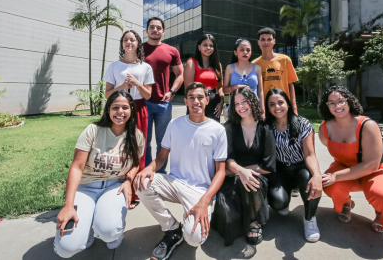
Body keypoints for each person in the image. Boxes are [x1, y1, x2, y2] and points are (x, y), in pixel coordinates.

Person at [134, 82, 227, 260]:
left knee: (193, 238)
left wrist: (205, 201)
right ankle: (171, 228)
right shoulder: (175, 125)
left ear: (207, 100)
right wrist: (148, 168)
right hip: (174, 182)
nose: (196, 101)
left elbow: (220, 172)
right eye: (191, 98)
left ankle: (196, 218)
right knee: (141, 183)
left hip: (200, 191)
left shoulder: (218, 130)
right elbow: (161, 158)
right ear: (185, 101)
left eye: (200, 97)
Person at [54, 91, 144, 257]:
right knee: (66, 249)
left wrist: (128, 180)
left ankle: (113, 233)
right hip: (86, 187)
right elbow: (76, 167)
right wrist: (68, 205)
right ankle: (85, 232)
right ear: (108, 110)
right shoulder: (93, 130)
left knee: (109, 232)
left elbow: (136, 163)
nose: (120, 112)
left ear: (131, 110)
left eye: (125, 107)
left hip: (114, 187)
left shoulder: (136, 136)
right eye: (115, 107)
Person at [318, 86, 383, 233]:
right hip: (344, 167)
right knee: (329, 184)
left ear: (348, 101)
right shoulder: (325, 128)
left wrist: (336, 176)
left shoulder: (367, 125)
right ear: (327, 106)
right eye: (331, 103)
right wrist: (334, 175)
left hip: (375, 170)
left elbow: (371, 165)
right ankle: (346, 203)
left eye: (340, 101)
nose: (337, 106)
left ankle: (380, 212)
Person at [212, 87, 276, 245]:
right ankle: (245, 215)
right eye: (236, 103)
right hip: (232, 174)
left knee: (251, 183)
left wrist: (247, 172)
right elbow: (227, 158)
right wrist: (240, 171)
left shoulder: (265, 127)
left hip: (258, 175)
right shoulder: (229, 127)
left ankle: (254, 221)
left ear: (253, 102)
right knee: (228, 215)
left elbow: (268, 165)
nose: (241, 106)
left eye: (245, 102)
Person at [104, 29, 154, 208]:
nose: (129, 42)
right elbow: (107, 94)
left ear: (138, 43)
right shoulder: (114, 66)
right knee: (118, 148)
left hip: (139, 108)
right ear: (122, 44)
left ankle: (135, 192)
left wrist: (137, 84)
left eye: (132, 39)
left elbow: (148, 95)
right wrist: (123, 85)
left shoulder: (145, 67)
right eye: (126, 40)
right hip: (118, 108)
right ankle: (116, 188)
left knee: (138, 150)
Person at [265, 88, 323, 242]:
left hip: (300, 167)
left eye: (280, 102)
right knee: (278, 204)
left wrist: (317, 175)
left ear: (288, 104)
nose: (277, 107)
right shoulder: (267, 126)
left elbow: (310, 155)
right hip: (281, 169)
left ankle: (310, 217)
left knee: (310, 181)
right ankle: (286, 193)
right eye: (272, 104)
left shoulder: (302, 124)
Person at [143, 17, 185, 173]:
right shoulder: (139, 49)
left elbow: (180, 74)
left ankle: (160, 172)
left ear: (163, 31)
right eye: (152, 27)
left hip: (163, 104)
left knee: (163, 142)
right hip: (143, 102)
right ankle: (146, 172)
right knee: (145, 142)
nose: (155, 30)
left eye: (158, 28)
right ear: (146, 30)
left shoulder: (171, 50)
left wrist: (172, 91)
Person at [253, 28, 299, 116]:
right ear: (258, 42)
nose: (266, 42)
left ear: (274, 41)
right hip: (265, 109)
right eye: (263, 39)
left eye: (269, 39)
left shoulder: (285, 60)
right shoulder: (254, 64)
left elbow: (290, 84)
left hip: (283, 106)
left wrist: (294, 108)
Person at [184, 34, 225, 122]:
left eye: (211, 45)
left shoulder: (218, 65)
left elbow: (220, 87)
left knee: (212, 133)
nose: (208, 48)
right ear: (199, 47)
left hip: (214, 104)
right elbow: (188, 88)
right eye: (205, 45)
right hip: (197, 103)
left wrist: (221, 102)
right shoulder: (191, 63)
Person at [223, 38, 265, 118]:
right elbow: (224, 90)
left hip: (254, 109)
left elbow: (260, 91)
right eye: (242, 50)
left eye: (248, 50)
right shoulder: (230, 68)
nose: (245, 52)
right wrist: (234, 87)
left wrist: (262, 111)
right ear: (235, 52)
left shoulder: (257, 68)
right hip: (236, 110)